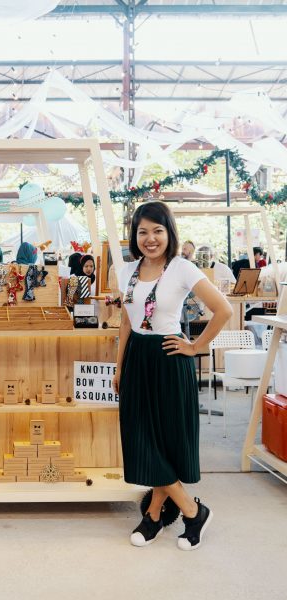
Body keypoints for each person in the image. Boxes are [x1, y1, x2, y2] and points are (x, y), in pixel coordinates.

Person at [112, 201, 232, 551]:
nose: (150, 238)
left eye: (157, 230)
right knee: (140, 438)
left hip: (169, 357)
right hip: (137, 357)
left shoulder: (182, 268)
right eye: (143, 232)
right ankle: (191, 511)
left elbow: (223, 309)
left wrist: (196, 347)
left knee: (164, 442)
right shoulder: (126, 270)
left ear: (169, 233)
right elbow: (126, 322)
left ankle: (158, 516)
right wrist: (119, 367)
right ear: (134, 235)